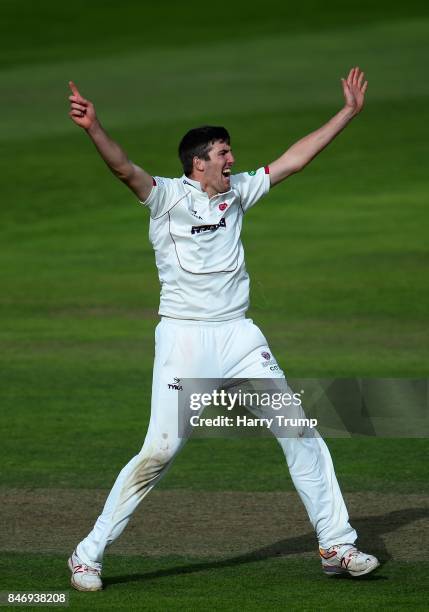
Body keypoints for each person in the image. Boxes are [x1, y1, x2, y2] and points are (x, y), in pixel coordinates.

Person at [66, 67, 379, 592]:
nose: (232, 160)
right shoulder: (165, 198)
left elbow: (293, 160)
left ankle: (336, 544)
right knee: (161, 450)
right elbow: (124, 170)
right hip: (184, 340)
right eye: (223, 153)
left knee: (300, 433)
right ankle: (88, 553)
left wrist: (346, 113)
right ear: (198, 163)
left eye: (230, 153)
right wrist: (95, 128)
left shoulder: (237, 195)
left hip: (239, 338)